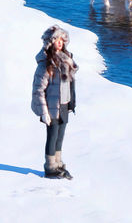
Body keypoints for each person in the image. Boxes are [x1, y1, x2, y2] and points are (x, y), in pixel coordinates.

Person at [31, 25, 78, 179]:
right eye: (57, 39)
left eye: (62, 40)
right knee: (52, 136)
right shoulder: (46, 63)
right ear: (50, 42)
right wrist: (43, 112)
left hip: (64, 105)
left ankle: (58, 164)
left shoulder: (66, 59)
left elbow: (70, 83)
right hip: (51, 107)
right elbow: (38, 89)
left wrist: (71, 102)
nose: (60, 42)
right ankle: (50, 167)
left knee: (60, 136)